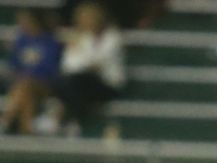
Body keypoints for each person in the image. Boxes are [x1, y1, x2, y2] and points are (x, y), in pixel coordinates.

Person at [46, 1, 125, 136]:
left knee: (76, 82)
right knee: (69, 82)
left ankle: (63, 119)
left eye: (89, 17)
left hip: (106, 85)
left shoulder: (112, 37)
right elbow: (69, 66)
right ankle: (70, 122)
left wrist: (80, 50)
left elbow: (97, 66)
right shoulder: (80, 37)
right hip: (79, 82)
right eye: (82, 18)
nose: (85, 21)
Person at [1, 8, 62, 135]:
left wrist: (30, 75)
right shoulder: (21, 41)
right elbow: (13, 66)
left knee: (26, 85)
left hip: (45, 84)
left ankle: (5, 121)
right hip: (22, 85)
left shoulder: (50, 42)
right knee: (26, 93)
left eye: (24, 20)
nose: (22, 24)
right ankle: (26, 129)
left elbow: (50, 68)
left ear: (35, 21)